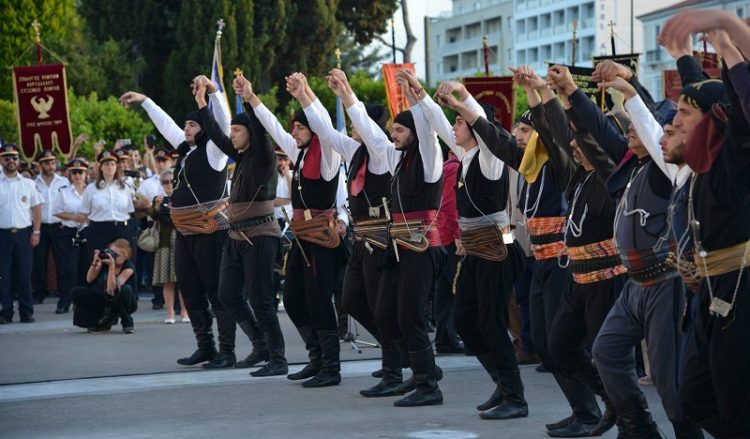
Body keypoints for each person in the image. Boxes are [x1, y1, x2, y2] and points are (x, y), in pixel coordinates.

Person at [547, 58, 707, 438]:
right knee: (605, 352)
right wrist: (570, 91)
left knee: (669, 384)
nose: (634, 130)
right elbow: (598, 129)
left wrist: (631, 86)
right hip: (634, 285)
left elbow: (651, 123)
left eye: (645, 129)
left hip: (664, 281)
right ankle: (638, 428)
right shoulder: (626, 166)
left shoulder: (665, 166)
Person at [659, 11, 750, 437]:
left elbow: (735, 105)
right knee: (692, 395)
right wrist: (683, 54)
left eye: (683, 114)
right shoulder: (697, 167)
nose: (673, 122)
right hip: (708, 297)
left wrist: (729, 40)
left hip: (739, 294)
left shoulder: (734, 162)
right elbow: (703, 93)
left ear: (713, 120)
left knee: (736, 406)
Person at [417, 75, 530, 418]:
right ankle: (502, 382)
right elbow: (439, 122)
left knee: (491, 323)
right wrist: (420, 95)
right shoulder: (464, 157)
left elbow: (480, 121)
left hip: (497, 251)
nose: (453, 126)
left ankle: (516, 398)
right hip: (475, 252)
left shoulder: (489, 158)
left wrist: (463, 97)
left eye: (459, 122)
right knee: (466, 321)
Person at [334, 67, 445, 406]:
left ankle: (428, 385)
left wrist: (416, 95)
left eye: (399, 129)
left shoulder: (429, 158)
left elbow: (426, 130)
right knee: (385, 312)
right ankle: (404, 373)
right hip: (399, 245)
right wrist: (345, 93)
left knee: (410, 315)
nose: (393, 135)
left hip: (422, 245)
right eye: (393, 129)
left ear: (413, 131)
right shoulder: (396, 157)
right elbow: (368, 131)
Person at [119, 76, 233, 369]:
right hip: (185, 230)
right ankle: (205, 346)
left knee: (215, 291)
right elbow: (166, 125)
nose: (186, 129)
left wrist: (214, 92)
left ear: (205, 127)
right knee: (190, 289)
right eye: (186, 125)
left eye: (192, 125)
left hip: (210, 230)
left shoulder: (215, 151)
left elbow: (222, 120)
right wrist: (145, 100)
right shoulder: (187, 150)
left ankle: (227, 351)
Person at [243, 73, 348, 388]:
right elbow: (272, 125)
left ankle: (331, 367)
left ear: (311, 130)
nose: (294, 131)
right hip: (303, 238)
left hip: (322, 237)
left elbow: (324, 121)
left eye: (300, 127)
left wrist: (305, 94)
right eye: (295, 127)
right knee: (292, 299)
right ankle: (316, 358)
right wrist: (250, 97)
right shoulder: (299, 152)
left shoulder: (327, 152)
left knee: (319, 300)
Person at [198, 75, 289, 377]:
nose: (232, 135)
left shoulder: (263, 157)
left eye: (237, 131)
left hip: (261, 235)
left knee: (262, 299)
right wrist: (203, 104)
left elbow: (261, 129)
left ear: (249, 132)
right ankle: (260, 344)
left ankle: (277, 358)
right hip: (236, 237)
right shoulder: (239, 155)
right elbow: (214, 133)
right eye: (232, 131)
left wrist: (249, 97)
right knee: (228, 295)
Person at [0, 144, 42, 324]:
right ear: (1, 160)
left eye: (14, 158)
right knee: (4, 275)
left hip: (24, 233)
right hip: (2, 234)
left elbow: (37, 208)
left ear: (19, 161)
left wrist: (37, 231)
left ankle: (27, 312)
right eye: (7, 157)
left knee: (24, 274)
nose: (11, 161)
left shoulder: (28, 183)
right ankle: (6, 312)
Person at [80, 150, 135, 264]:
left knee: (123, 262)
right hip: (99, 230)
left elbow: (130, 211)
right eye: (105, 164)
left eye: (112, 164)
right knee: (98, 262)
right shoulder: (91, 188)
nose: (109, 167)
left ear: (116, 167)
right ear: (100, 167)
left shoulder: (125, 188)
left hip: (121, 228)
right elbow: (85, 213)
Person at [72, 239, 137, 333]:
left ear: (124, 257)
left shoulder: (128, 267)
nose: (112, 256)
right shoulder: (104, 263)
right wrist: (95, 262)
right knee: (76, 292)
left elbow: (112, 289)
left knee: (125, 289)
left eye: (116, 255)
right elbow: (89, 279)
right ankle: (97, 322)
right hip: (105, 298)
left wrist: (111, 267)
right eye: (111, 252)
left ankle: (127, 322)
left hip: (125, 301)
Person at [52, 157, 91, 314]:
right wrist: (74, 217)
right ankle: (65, 301)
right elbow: (56, 211)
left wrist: (88, 217)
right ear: (70, 174)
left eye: (80, 172)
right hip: (69, 232)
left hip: (88, 231)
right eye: (74, 172)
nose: (77, 175)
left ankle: (82, 302)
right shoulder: (64, 191)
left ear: (86, 173)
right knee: (68, 269)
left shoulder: (92, 190)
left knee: (86, 267)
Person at [149, 169, 188, 324]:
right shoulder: (158, 199)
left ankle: (185, 312)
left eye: (172, 181)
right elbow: (151, 217)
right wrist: (157, 207)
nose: (169, 184)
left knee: (184, 280)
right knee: (168, 281)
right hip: (165, 243)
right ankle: (170, 313)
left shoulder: (185, 197)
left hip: (183, 242)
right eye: (165, 182)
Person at [31, 149, 67, 305]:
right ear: (40, 165)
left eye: (52, 162)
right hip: (41, 226)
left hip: (59, 226)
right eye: (46, 163)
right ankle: (39, 292)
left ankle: (63, 291)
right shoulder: (33, 183)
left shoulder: (64, 182)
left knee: (62, 260)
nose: (51, 166)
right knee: (39, 262)